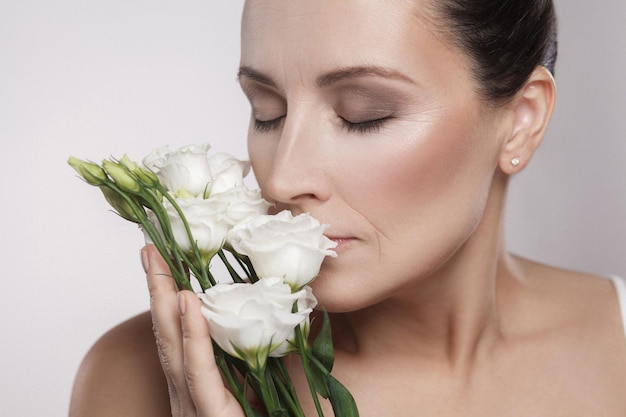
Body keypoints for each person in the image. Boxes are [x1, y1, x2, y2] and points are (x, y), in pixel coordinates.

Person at [69, 1, 626, 416]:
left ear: (521, 121)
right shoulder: (136, 381)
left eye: (364, 115)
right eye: (268, 111)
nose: (283, 179)